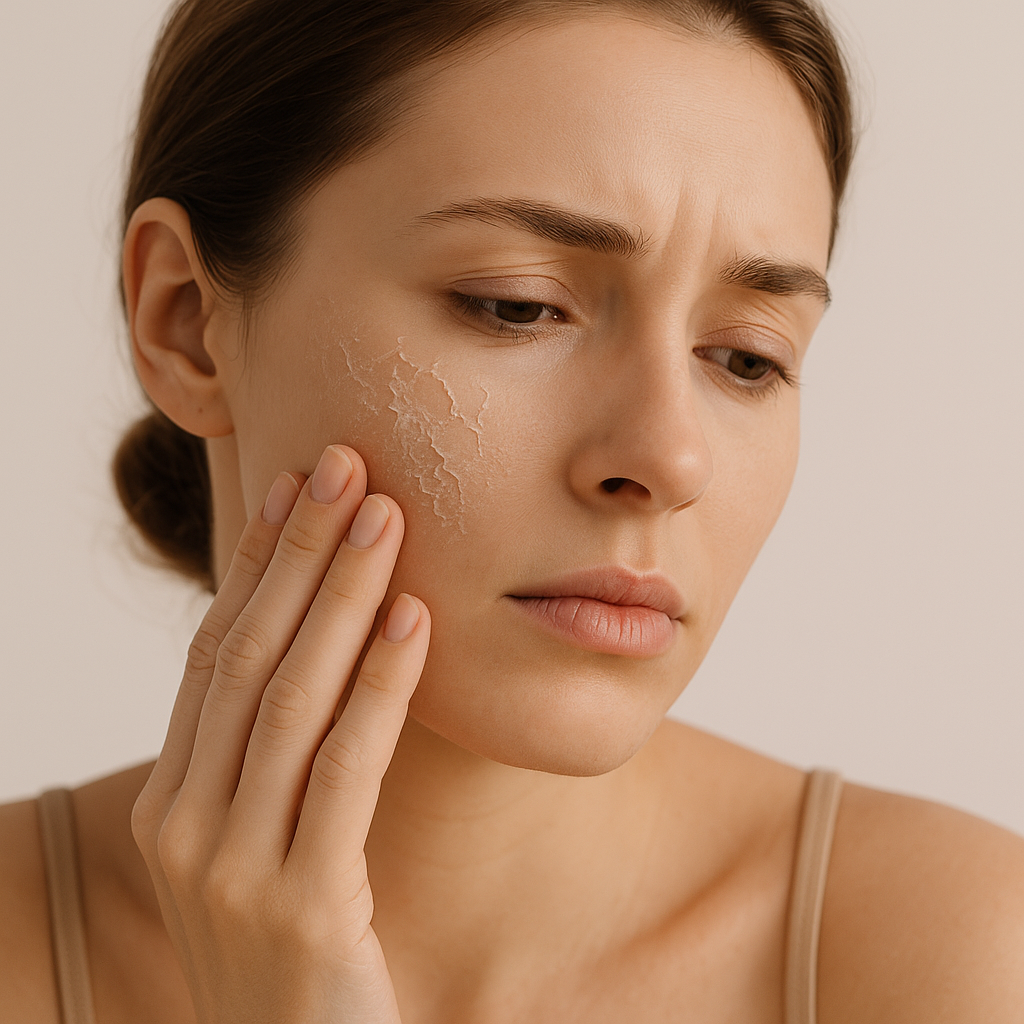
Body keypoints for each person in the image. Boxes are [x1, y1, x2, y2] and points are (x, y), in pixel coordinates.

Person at [1, 1, 1022, 1021]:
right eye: (517, 304)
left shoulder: (961, 955)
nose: (670, 457)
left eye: (747, 358)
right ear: (183, 319)